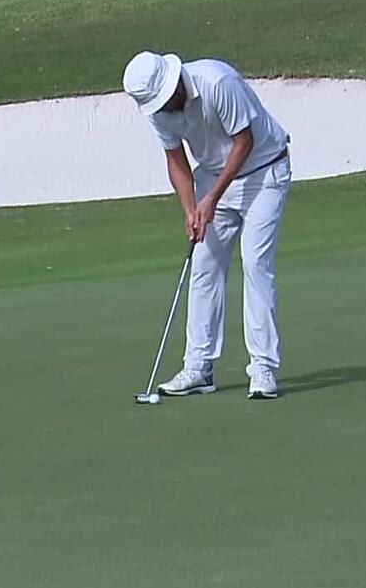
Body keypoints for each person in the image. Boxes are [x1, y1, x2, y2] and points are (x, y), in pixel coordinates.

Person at [122, 51, 293, 399]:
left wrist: (211, 198)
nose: (162, 108)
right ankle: (198, 367)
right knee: (204, 267)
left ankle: (262, 368)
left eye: (164, 99)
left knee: (255, 264)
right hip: (212, 180)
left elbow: (244, 142)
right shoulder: (158, 111)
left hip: (263, 172)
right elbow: (176, 160)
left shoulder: (218, 82)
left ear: (174, 84)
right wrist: (190, 209)